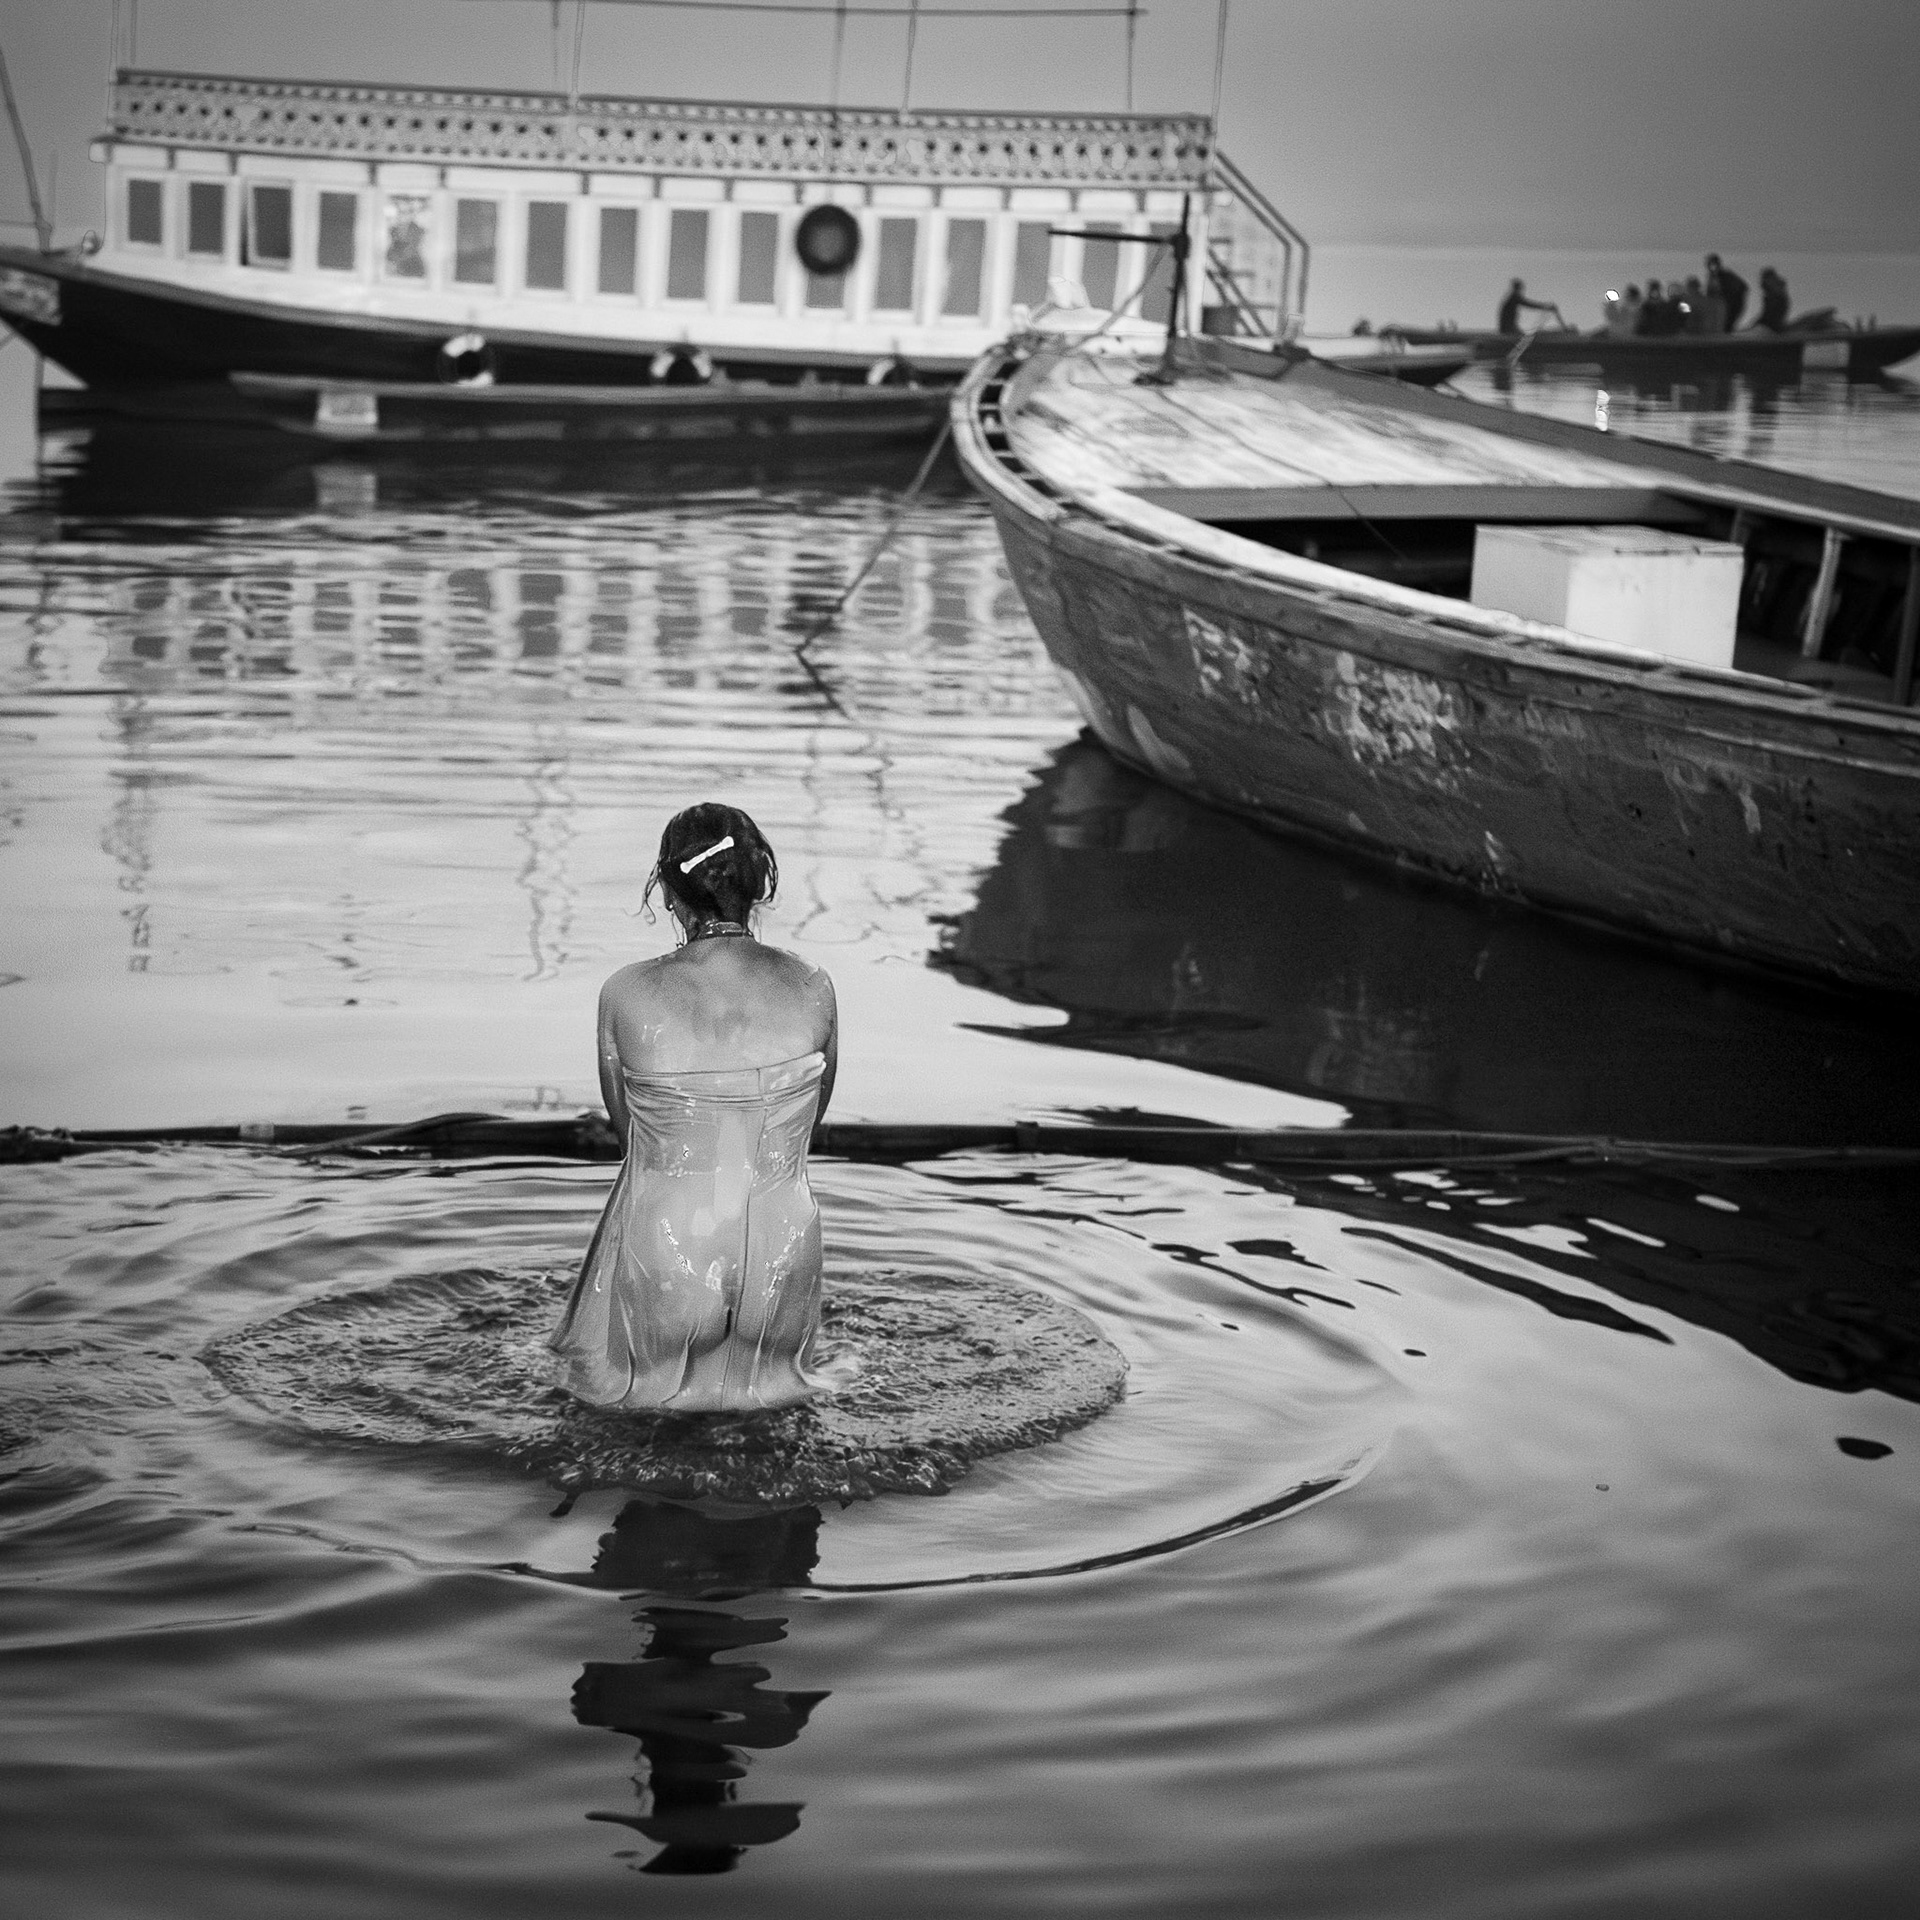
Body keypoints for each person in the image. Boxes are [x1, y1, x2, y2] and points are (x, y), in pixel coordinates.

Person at [549, 803, 845, 1412]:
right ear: (761, 884)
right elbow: (807, 1127)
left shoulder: (625, 993)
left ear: (668, 891)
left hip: (671, 1250)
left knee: (644, 1446)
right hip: (784, 1249)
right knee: (776, 1436)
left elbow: (633, 1138)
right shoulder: (815, 987)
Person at [1706, 254, 1748, 331]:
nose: (1711, 267)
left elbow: (1743, 287)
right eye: (1709, 265)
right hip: (1718, 309)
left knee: (1726, 327)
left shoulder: (1726, 276)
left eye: (1713, 264)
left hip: (1728, 308)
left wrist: (1729, 299)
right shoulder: (1712, 278)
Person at [1755, 266, 1791, 331]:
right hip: (1771, 326)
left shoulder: (1776, 295)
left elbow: (1769, 316)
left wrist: (1757, 324)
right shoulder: (1775, 293)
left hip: (1771, 328)